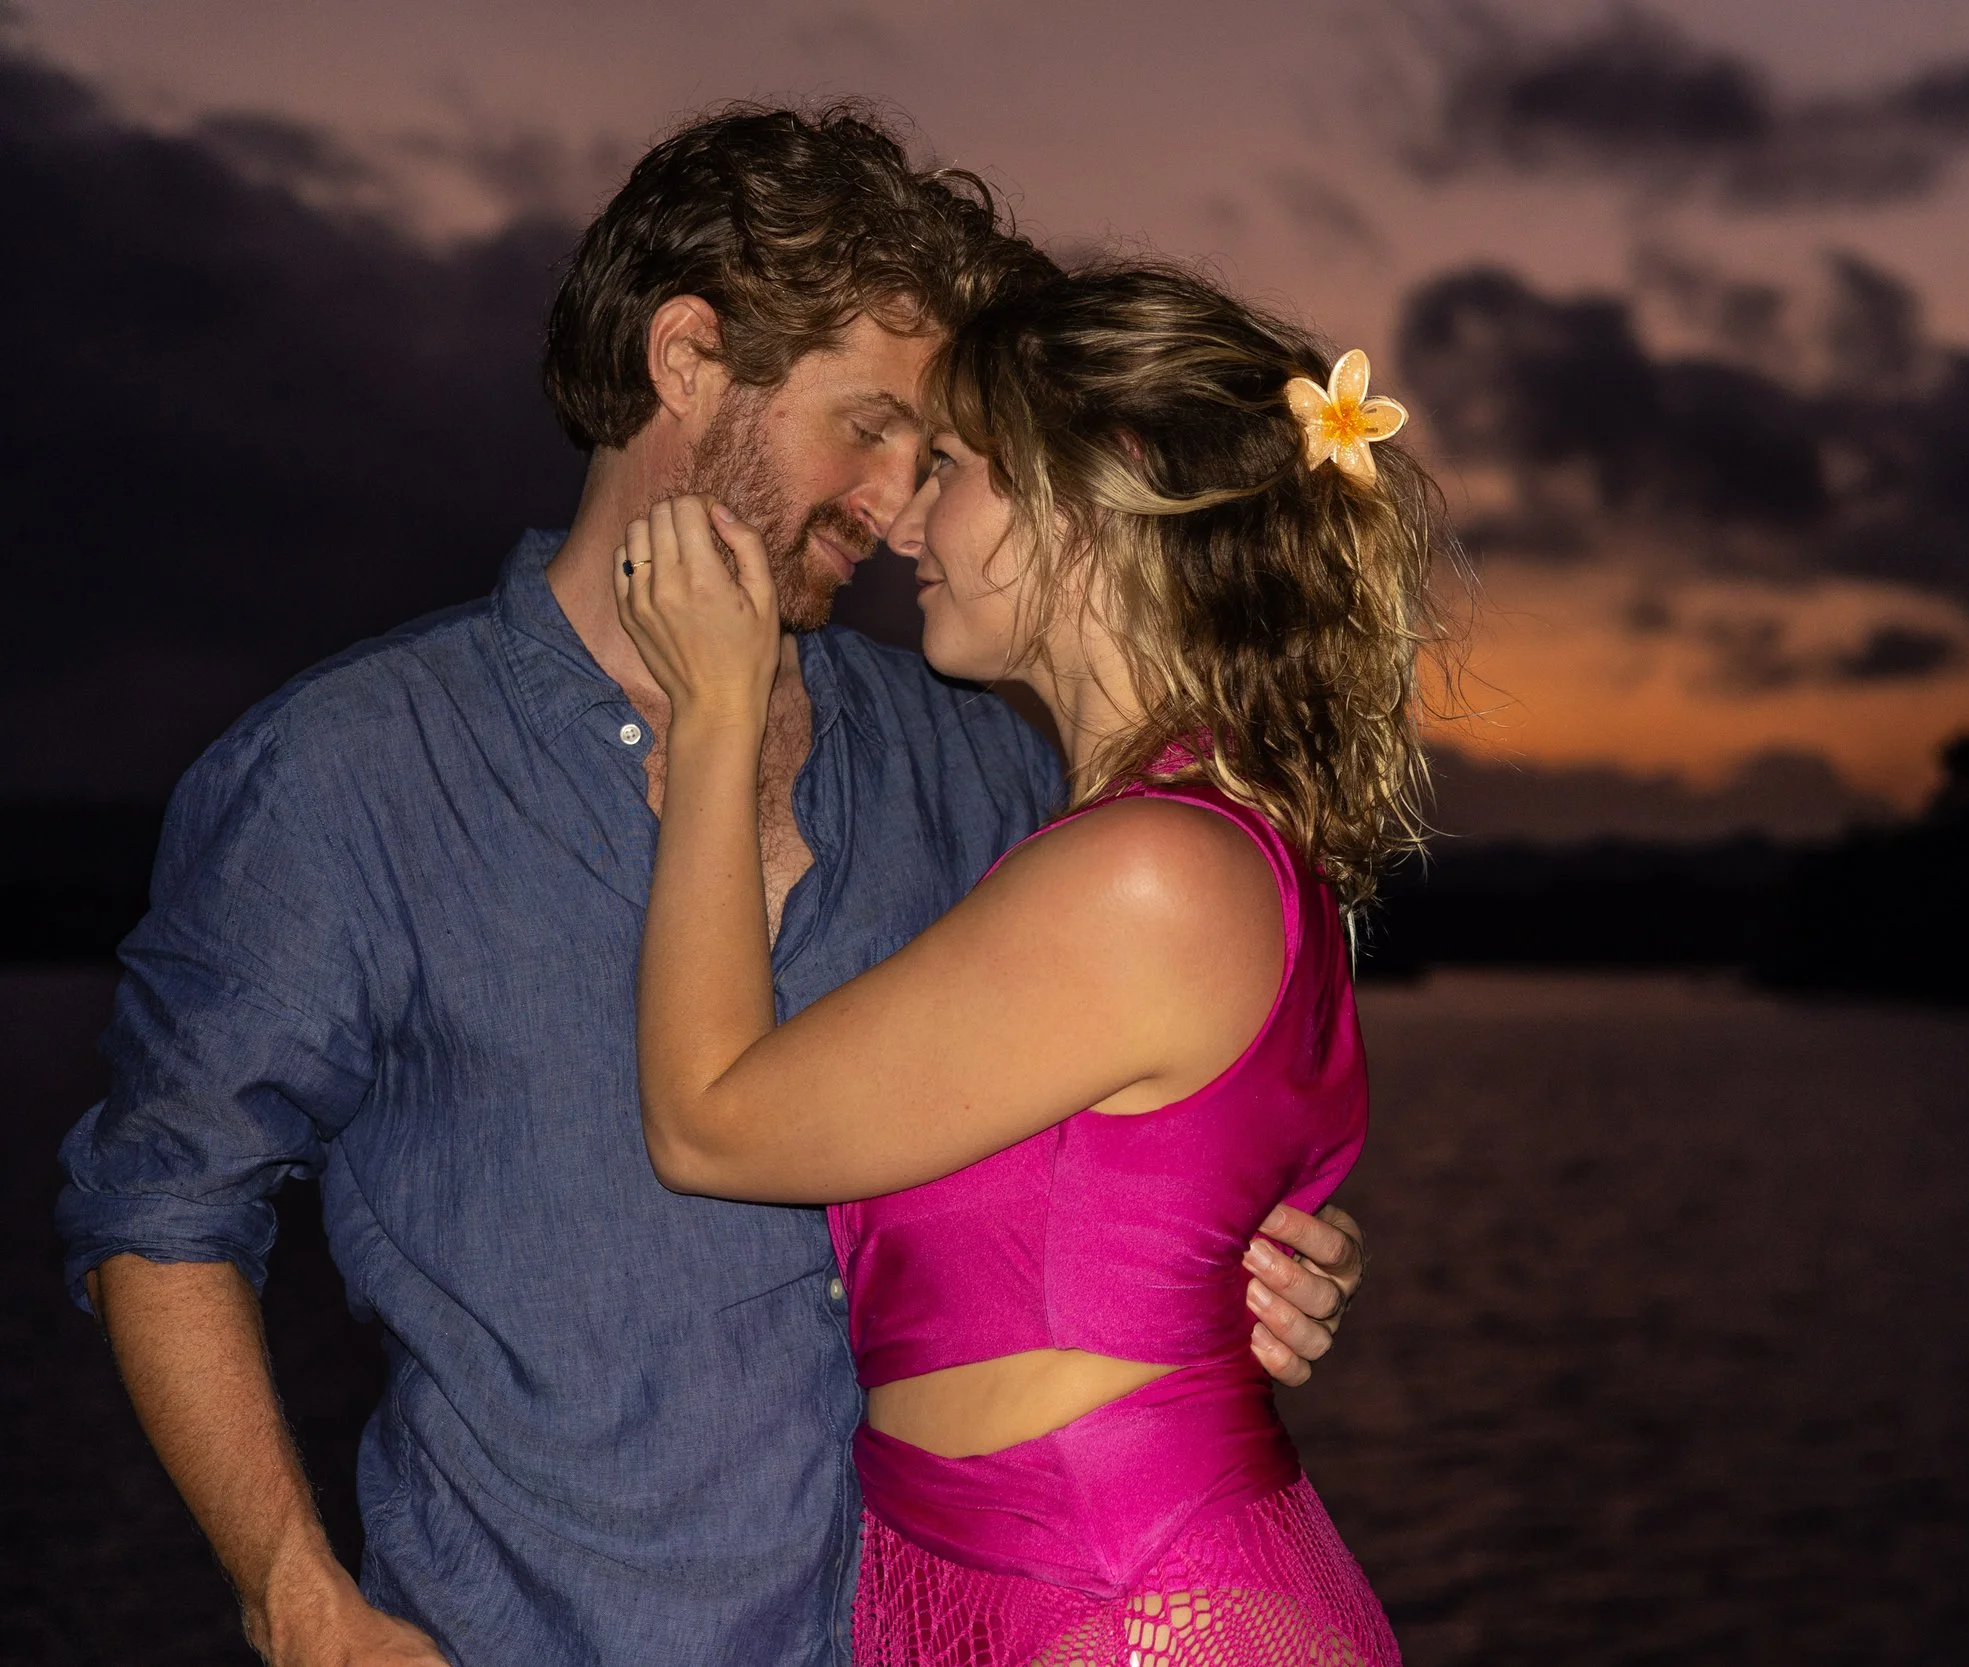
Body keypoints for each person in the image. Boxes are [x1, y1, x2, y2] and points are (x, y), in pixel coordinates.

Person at [55, 106, 1364, 1667]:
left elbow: (1127, 1144)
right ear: (687, 360)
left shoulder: (981, 771)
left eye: (937, 454)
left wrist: (1253, 1257)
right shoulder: (344, 774)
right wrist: (297, 1593)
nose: (894, 505)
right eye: (873, 426)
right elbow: (162, 1203)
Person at [609, 263, 1437, 1665]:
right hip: (1001, 1578)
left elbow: (708, 1120)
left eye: (957, 466)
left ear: (1088, 496)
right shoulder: (1133, 842)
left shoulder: (1150, 871)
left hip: (1125, 1597)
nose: (907, 518)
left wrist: (715, 716)